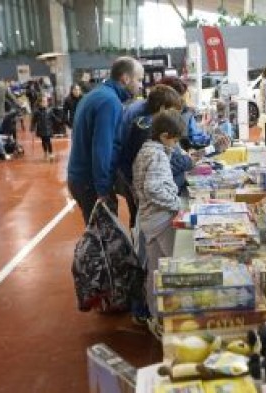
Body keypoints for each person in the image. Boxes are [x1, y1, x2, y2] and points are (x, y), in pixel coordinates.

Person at [67, 56, 144, 225]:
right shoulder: (110, 102)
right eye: (139, 80)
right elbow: (102, 149)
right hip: (91, 183)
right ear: (125, 78)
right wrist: (103, 191)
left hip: (80, 178)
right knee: (105, 237)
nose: (141, 85)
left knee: (98, 233)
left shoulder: (95, 94)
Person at [132, 108, 184, 335]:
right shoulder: (157, 155)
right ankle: (170, 318)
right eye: (175, 139)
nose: (176, 144)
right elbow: (153, 188)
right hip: (161, 219)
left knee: (155, 268)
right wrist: (177, 204)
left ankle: (156, 315)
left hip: (148, 219)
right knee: (173, 267)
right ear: (164, 136)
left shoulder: (146, 150)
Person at [118, 84, 183, 228]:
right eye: (172, 111)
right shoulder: (147, 129)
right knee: (138, 220)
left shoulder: (144, 119)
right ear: (161, 109)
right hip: (135, 183)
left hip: (134, 180)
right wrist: (177, 203)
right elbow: (152, 186)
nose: (174, 116)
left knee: (139, 219)